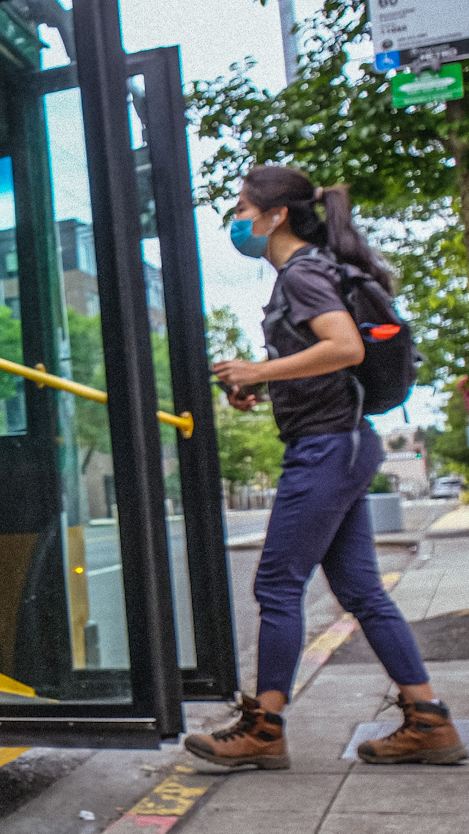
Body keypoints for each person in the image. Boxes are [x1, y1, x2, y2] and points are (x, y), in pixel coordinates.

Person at [186, 165, 464, 769]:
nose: (237, 219)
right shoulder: (308, 272)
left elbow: (345, 347)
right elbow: (325, 364)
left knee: (278, 584)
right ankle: (429, 721)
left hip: (327, 447)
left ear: (274, 215)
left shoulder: (304, 271)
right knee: (361, 588)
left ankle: (264, 729)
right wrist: (263, 388)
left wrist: (257, 372)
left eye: (241, 208)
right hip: (340, 441)